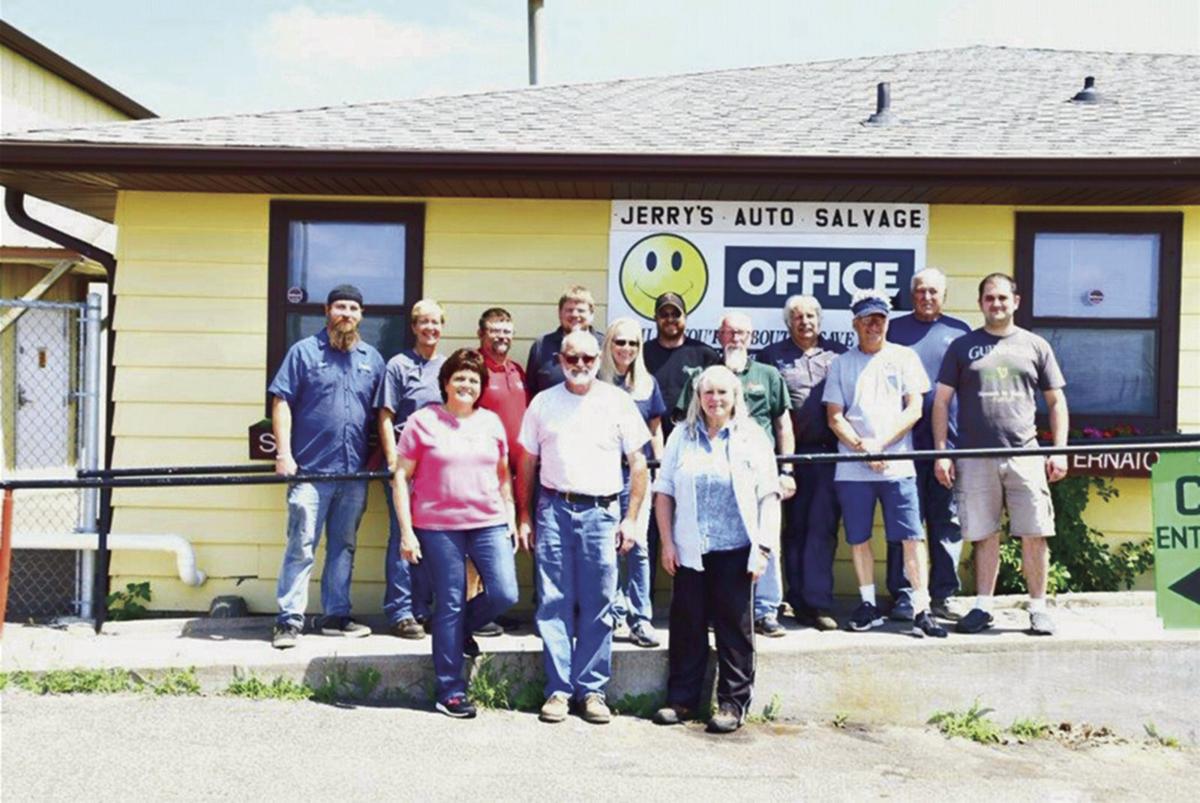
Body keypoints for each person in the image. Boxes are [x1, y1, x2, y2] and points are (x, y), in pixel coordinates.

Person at [517, 331, 650, 725]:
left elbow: (638, 465)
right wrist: (524, 515)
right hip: (554, 508)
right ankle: (558, 690)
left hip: (603, 513)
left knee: (600, 602)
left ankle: (591, 690)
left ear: (599, 358)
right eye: (572, 358)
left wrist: (631, 518)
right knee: (553, 600)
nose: (580, 365)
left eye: (588, 359)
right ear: (560, 360)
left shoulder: (618, 402)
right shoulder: (543, 403)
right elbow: (526, 463)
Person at [933, 273, 1069, 637]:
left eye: (1003, 298)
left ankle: (1038, 608)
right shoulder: (962, 347)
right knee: (983, 534)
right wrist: (942, 453)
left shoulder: (1035, 346)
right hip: (975, 457)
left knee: (1035, 532)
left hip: (1024, 454)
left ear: (1016, 301)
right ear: (981, 303)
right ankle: (983, 606)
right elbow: (942, 402)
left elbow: (1056, 402)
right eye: (990, 298)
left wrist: (1059, 451)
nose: (996, 304)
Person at [651, 366, 781, 734]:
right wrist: (668, 542)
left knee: (734, 631)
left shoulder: (752, 436)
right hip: (691, 549)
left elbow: (768, 496)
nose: (715, 399)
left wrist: (764, 549)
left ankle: (732, 703)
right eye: (708, 393)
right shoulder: (682, 435)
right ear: (698, 397)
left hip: (736, 550)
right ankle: (682, 700)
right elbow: (665, 492)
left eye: (723, 392)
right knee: (687, 626)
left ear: (735, 396)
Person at [393, 349, 520, 718]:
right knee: (449, 601)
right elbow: (401, 477)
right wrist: (406, 532)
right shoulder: (422, 421)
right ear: (446, 383)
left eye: (474, 380)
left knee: (504, 592)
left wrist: (509, 514)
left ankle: (458, 628)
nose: (467, 385)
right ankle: (449, 690)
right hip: (436, 526)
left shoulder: (492, 423)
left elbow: (502, 475)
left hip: (488, 521)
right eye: (460, 378)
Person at [823, 291, 947, 638]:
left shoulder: (905, 358)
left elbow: (915, 409)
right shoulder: (841, 363)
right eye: (867, 319)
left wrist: (881, 446)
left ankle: (921, 608)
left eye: (879, 318)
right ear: (855, 324)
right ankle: (867, 604)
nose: (873, 325)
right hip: (852, 467)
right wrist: (864, 448)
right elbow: (835, 416)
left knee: (911, 537)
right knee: (858, 538)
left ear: (887, 322)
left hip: (898, 467)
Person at [268, 284, 385, 649]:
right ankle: (289, 620)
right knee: (301, 545)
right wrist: (284, 454)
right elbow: (282, 401)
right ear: (327, 311)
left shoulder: (372, 359)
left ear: (361, 315)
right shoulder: (303, 353)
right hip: (311, 473)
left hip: (354, 474)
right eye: (340, 307)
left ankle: (336, 614)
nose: (346, 313)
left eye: (353, 307)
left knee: (344, 545)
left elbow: (384, 414)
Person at [677, 312, 794, 637]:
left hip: (759, 471)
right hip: (713, 471)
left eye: (741, 333)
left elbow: (783, 423)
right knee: (718, 547)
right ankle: (719, 610)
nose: (735, 339)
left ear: (752, 337)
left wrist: (787, 469)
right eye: (729, 333)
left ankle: (767, 610)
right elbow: (685, 421)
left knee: (766, 538)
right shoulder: (705, 376)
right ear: (719, 336)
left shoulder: (768, 374)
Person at [885, 268, 971, 622]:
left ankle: (943, 595)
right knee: (905, 523)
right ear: (911, 295)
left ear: (944, 296)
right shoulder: (894, 330)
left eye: (933, 292)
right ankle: (904, 594)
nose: (926, 297)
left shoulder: (960, 333)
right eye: (920, 291)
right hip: (901, 444)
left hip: (947, 446)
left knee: (946, 521)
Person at [758, 295, 846, 631]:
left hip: (827, 454)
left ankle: (817, 603)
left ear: (820, 320)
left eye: (810, 316)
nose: (804, 321)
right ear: (788, 322)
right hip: (786, 457)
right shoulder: (772, 357)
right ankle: (791, 599)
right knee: (791, 530)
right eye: (797, 316)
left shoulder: (837, 355)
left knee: (821, 529)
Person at [637, 291, 720, 596]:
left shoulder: (705, 355)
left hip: (694, 451)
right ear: (656, 318)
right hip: (650, 454)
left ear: (685, 317)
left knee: (692, 529)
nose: (670, 319)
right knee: (648, 532)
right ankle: (641, 605)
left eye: (676, 314)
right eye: (664, 314)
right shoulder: (641, 354)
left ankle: (695, 600)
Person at [377, 299, 446, 640]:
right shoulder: (399, 365)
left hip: (438, 468)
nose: (430, 328)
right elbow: (386, 416)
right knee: (403, 536)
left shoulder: (447, 368)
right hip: (405, 464)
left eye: (436, 322)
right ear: (414, 327)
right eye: (424, 322)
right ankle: (401, 610)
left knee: (432, 539)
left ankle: (424, 608)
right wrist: (392, 460)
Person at [598, 318, 667, 648]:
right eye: (620, 342)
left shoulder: (647, 384)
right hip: (601, 476)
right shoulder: (595, 380)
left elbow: (655, 429)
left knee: (637, 546)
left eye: (633, 343)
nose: (626, 349)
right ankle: (614, 615)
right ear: (609, 344)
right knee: (607, 548)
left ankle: (641, 618)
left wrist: (662, 470)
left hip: (638, 476)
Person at [474, 307, 529, 636]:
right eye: (495, 330)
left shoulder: (518, 370)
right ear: (481, 333)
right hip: (484, 469)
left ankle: (496, 605)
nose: (501, 337)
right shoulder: (474, 367)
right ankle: (478, 611)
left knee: (506, 538)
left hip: (518, 471)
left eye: (506, 330)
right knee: (480, 541)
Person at [525, 285, 603, 396]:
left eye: (581, 310)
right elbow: (530, 389)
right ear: (560, 313)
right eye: (569, 310)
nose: (575, 315)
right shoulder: (542, 345)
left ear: (591, 315)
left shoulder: (605, 345)